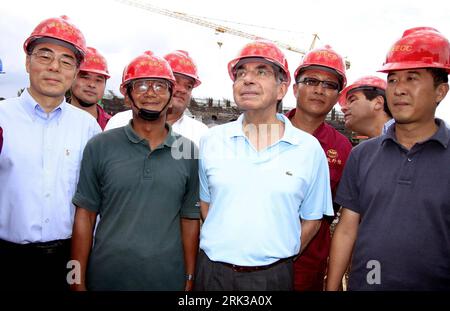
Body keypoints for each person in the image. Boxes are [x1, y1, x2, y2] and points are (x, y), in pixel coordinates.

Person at [195, 40, 333, 291]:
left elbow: (312, 220)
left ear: (282, 89)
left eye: (261, 71)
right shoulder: (211, 141)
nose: (248, 79)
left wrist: (275, 258)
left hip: (273, 278)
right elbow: (206, 205)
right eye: (241, 73)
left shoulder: (308, 149)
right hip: (212, 274)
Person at [327, 27, 450, 290]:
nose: (399, 89)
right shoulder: (362, 155)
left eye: (412, 78)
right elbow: (347, 229)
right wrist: (332, 286)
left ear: (440, 91)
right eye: (393, 80)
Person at [70, 51, 200, 291]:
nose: (150, 93)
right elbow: (84, 217)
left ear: (172, 96)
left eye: (160, 86)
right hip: (106, 279)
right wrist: (75, 281)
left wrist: (190, 279)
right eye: (140, 85)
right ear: (127, 97)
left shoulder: (188, 150)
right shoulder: (99, 146)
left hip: (167, 280)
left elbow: (189, 219)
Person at [0, 16, 101, 290]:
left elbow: (95, 200)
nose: (55, 67)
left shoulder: (87, 127)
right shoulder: (2, 119)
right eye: (45, 56)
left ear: (75, 71)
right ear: (27, 62)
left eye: (66, 61)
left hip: (69, 258)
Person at [286, 45, 352, 291]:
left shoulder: (343, 148)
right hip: (254, 263)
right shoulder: (265, 133)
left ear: (337, 95)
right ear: (295, 89)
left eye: (329, 84)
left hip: (308, 267)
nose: (319, 89)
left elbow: (344, 217)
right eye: (311, 80)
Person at [105, 50, 208, 147]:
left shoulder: (201, 133)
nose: (182, 90)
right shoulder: (119, 122)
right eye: (176, 81)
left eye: (188, 86)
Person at [68, 47, 111, 130]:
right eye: (85, 77)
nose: (92, 84)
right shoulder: (49, 116)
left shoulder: (112, 126)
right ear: (71, 78)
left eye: (98, 80)